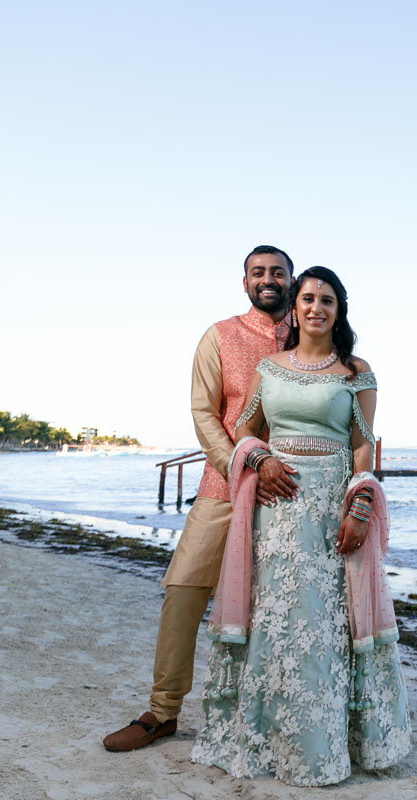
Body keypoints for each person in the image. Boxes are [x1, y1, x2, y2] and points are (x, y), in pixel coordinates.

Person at [189, 266, 410, 786]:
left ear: (339, 310)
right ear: (295, 307)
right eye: (308, 298)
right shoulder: (270, 367)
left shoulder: (356, 371)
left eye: (327, 300)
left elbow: (363, 445)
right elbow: (244, 431)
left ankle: (329, 743)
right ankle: (264, 738)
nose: (316, 308)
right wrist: (260, 463)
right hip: (277, 505)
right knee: (277, 614)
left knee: (325, 620)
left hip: (330, 505)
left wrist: (359, 508)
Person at [103, 245, 295, 752]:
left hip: (293, 491)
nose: (268, 279)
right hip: (225, 486)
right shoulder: (220, 336)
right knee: (183, 590)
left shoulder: (311, 332)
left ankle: (281, 714)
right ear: (245, 281)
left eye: (278, 272)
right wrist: (240, 463)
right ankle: (162, 712)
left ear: (292, 280)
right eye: (259, 272)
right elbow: (204, 412)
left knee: (285, 604)